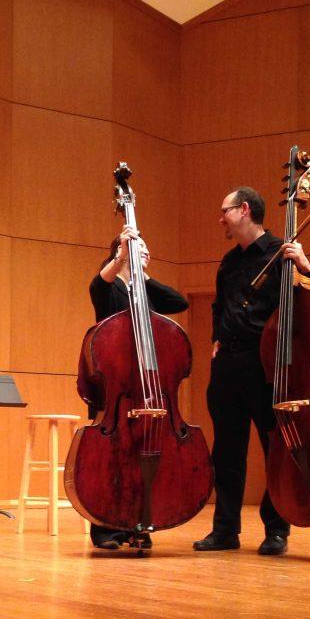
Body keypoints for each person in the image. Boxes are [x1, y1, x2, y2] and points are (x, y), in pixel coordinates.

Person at [193, 187, 310, 556]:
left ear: (244, 210)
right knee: (227, 453)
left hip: (267, 364)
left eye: (225, 211)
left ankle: (277, 529)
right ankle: (225, 531)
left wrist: (306, 266)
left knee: (275, 451)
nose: (220, 218)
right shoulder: (229, 262)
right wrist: (216, 339)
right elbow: (219, 307)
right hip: (228, 366)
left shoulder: (282, 252)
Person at [84, 225, 189, 550]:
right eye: (138, 246)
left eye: (146, 247)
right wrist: (119, 261)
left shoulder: (146, 292)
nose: (145, 251)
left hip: (147, 391)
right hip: (116, 388)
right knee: (111, 460)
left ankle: (139, 522)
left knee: (143, 457)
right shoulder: (110, 286)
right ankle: (104, 529)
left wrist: (142, 279)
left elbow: (179, 302)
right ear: (121, 250)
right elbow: (96, 286)